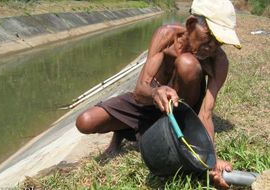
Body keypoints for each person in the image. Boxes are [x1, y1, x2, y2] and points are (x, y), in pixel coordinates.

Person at [76, 0, 241, 189]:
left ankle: (166, 132)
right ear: (190, 24)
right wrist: (155, 92)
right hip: (149, 102)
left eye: (219, 41)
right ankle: (120, 134)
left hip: (180, 112)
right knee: (85, 121)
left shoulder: (219, 61)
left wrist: (211, 159)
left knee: (187, 63)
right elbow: (140, 92)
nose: (212, 46)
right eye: (208, 36)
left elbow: (206, 114)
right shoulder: (166, 36)